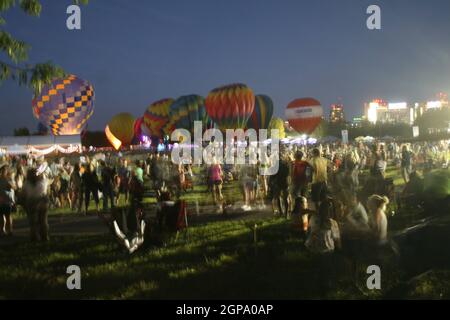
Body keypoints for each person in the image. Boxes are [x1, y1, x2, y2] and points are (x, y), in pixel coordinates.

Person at [22, 168, 50, 241]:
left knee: (33, 222)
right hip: (43, 201)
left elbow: (24, 193)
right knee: (43, 220)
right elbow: (47, 190)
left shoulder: (26, 183)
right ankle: (44, 236)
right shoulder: (43, 182)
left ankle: (34, 236)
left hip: (31, 202)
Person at [0, 164, 15, 236]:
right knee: (1, 216)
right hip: (1, 201)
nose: (3, 172)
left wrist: (10, 184)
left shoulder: (9, 179)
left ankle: (10, 230)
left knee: (8, 216)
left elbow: (14, 187)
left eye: (5, 171)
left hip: (8, 201)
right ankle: (2, 230)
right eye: (2, 171)